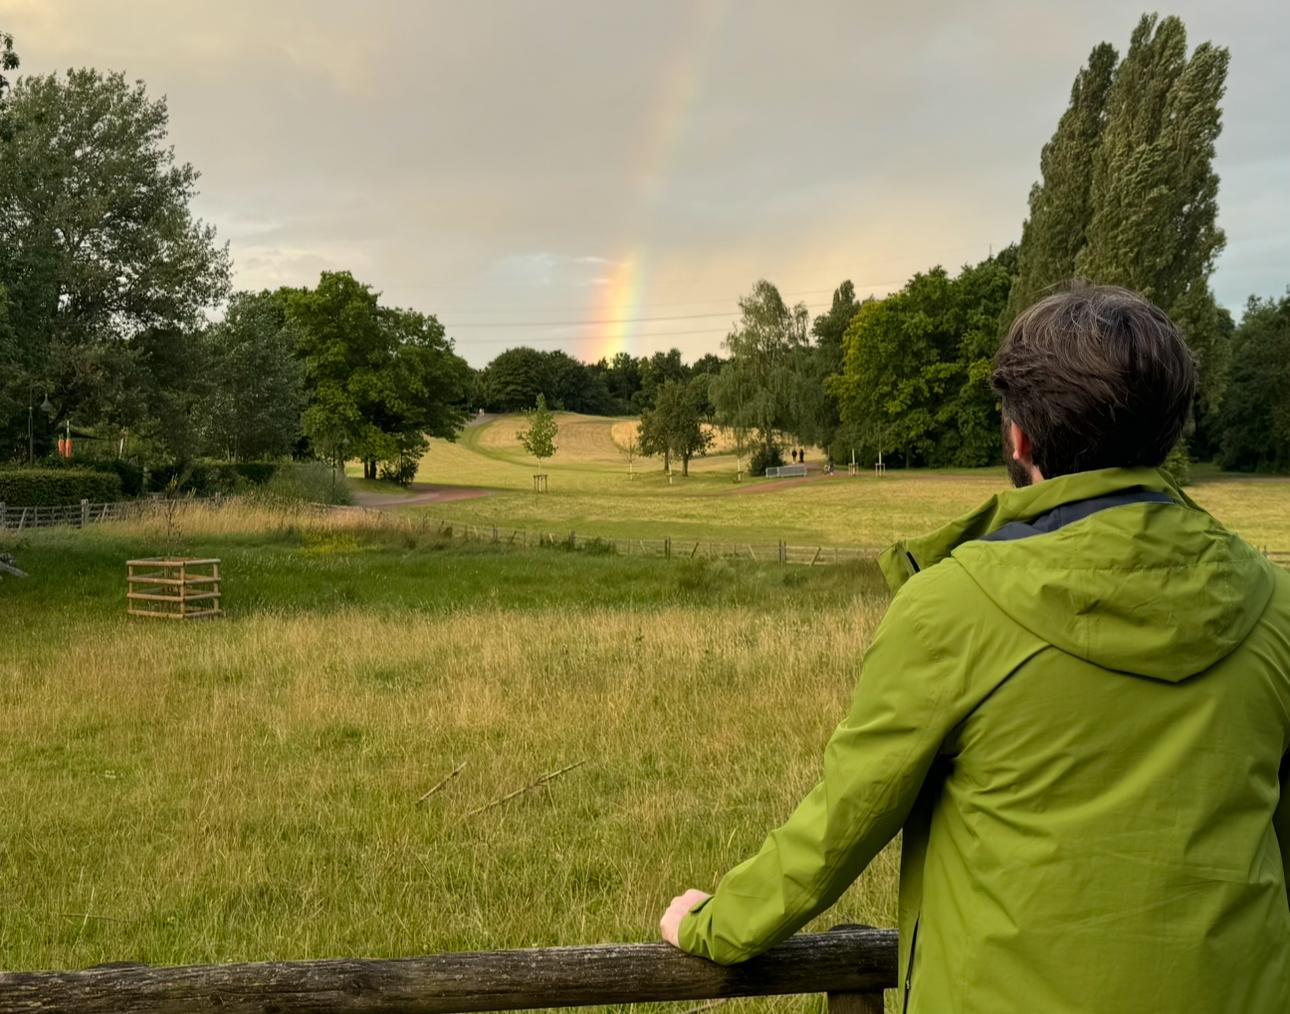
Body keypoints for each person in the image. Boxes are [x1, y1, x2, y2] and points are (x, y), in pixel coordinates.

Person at [659, 284, 1290, 1013]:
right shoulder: (1273, 601)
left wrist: (715, 924)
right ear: (1172, 429)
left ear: (1018, 436)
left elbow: (840, 825)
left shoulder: (954, 606)